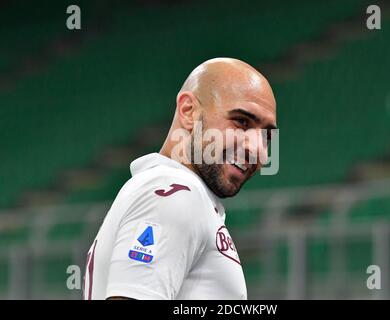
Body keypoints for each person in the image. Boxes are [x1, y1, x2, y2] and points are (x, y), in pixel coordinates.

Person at [83, 57, 277, 300]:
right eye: (241, 122)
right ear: (188, 111)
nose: (258, 149)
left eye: (267, 136)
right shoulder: (174, 194)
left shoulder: (175, 194)